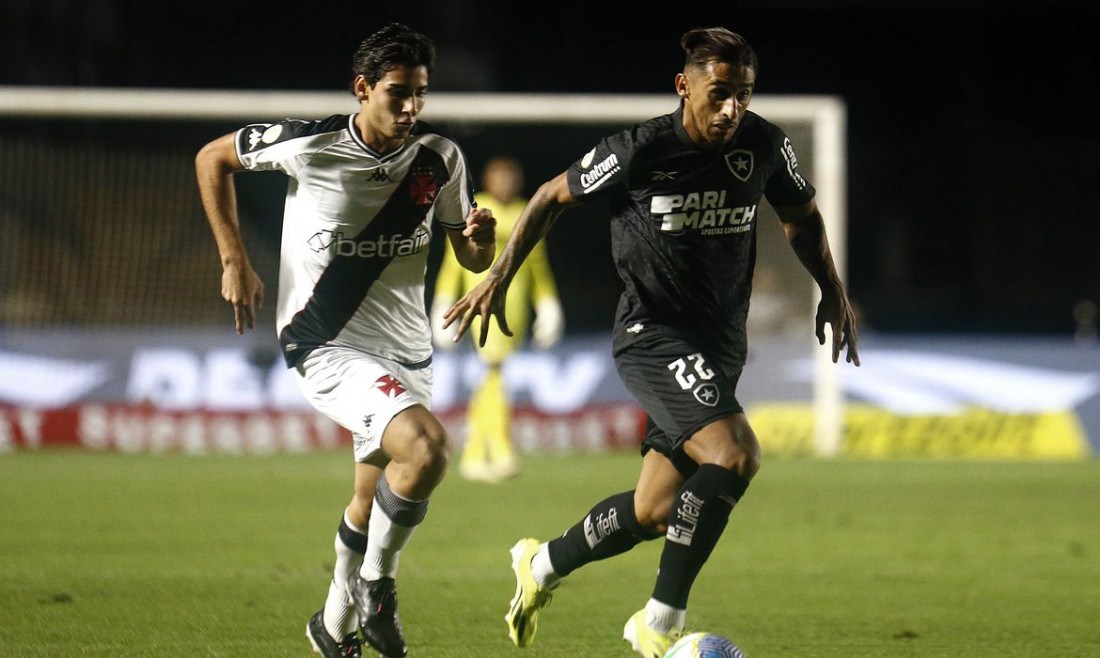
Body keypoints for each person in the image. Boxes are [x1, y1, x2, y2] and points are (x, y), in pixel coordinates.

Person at [443, 26, 859, 658]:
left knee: (657, 510)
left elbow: (801, 218)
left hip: (719, 346)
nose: (732, 109)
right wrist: (500, 273)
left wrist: (830, 288)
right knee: (735, 453)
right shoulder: (638, 150)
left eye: (744, 95)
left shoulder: (764, 144)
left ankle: (541, 566)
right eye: (720, 93)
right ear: (683, 85)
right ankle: (659, 626)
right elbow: (552, 197)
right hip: (652, 335)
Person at [194, 23, 495, 658]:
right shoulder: (312, 143)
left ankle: (331, 626)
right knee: (429, 450)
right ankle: (377, 591)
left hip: (408, 348)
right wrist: (233, 258)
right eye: (396, 93)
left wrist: (481, 240)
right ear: (363, 89)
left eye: (420, 94)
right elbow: (211, 157)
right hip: (324, 342)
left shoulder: (441, 157)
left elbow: (467, 254)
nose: (411, 107)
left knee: (370, 495)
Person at [431, 155, 564, 482]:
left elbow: (537, 265)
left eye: (511, 178)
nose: (505, 184)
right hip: (480, 303)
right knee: (493, 375)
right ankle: (498, 452)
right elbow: (453, 261)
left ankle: (475, 452)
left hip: (514, 309)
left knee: (492, 379)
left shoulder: (525, 211)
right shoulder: (478, 210)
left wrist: (548, 304)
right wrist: (443, 301)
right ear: (488, 181)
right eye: (499, 178)